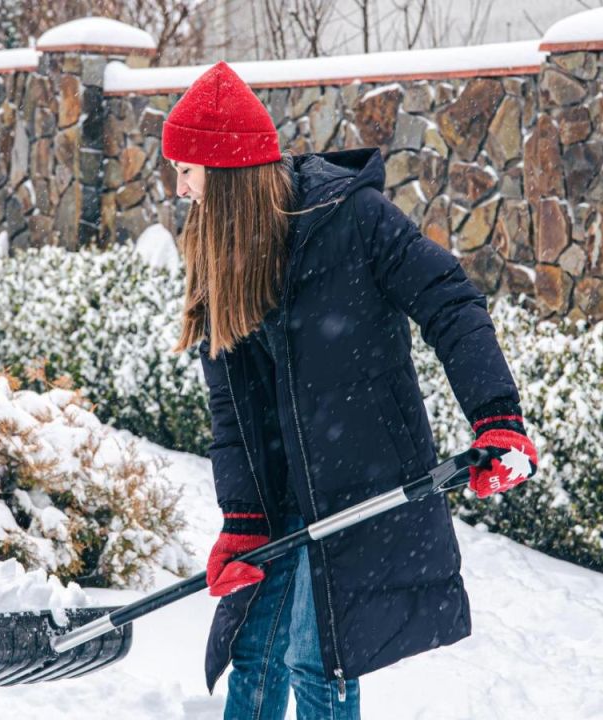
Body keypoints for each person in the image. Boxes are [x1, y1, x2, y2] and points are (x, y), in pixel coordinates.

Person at [162, 61, 538, 719]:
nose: (180, 188)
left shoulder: (353, 219)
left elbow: (449, 299)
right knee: (253, 654)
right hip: (281, 498)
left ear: (224, 176)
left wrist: (496, 417)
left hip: (358, 484)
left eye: (187, 171)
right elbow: (236, 412)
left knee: (317, 659)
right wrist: (244, 520)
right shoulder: (219, 254)